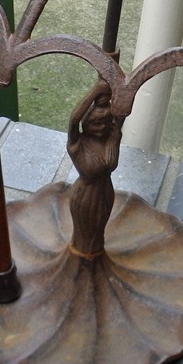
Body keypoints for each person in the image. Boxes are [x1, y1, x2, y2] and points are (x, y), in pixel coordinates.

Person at [66, 79, 123, 257]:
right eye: (96, 123)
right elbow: (74, 119)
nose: (102, 127)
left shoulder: (111, 139)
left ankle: (97, 258)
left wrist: (120, 90)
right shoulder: (77, 144)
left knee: (98, 233)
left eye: (106, 122)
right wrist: (96, 90)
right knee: (84, 235)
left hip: (105, 194)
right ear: (86, 124)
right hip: (84, 197)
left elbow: (121, 115)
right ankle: (80, 258)